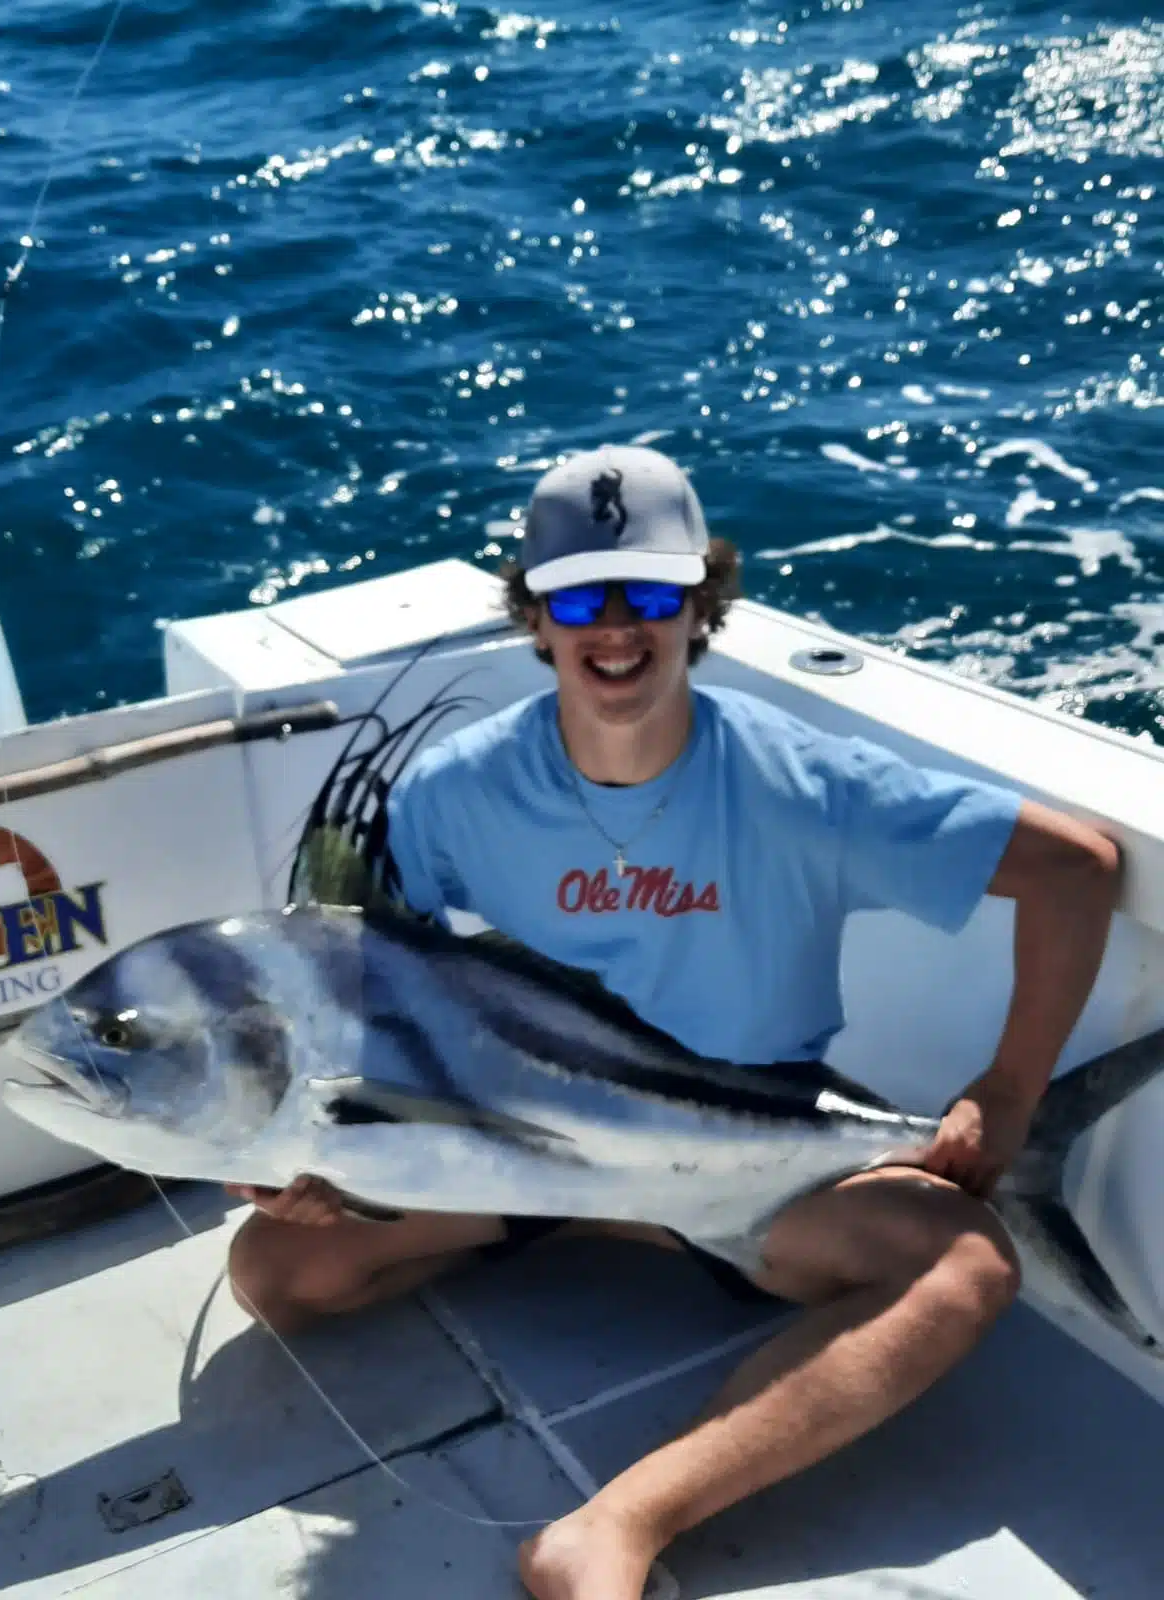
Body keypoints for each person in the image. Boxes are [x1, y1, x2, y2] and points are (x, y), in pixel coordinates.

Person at [227, 444, 1121, 1600]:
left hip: (752, 1152)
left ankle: (616, 1525)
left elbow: (1076, 870)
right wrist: (302, 1153)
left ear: (702, 606)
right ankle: (597, 1229)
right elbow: (346, 996)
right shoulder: (449, 795)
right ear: (534, 616)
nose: (615, 627)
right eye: (577, 595)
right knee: (275, 1267)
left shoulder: (805, 782)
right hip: (531, 1150)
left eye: (649, 593)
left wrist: (1006, 1093)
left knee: (963, 1266)